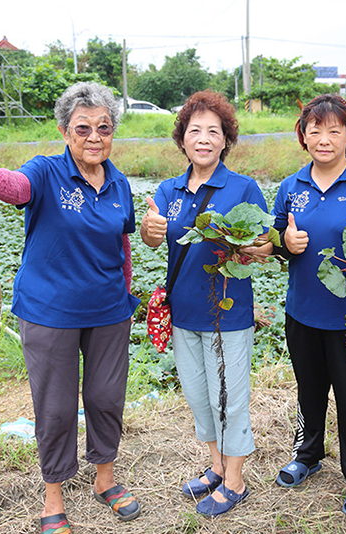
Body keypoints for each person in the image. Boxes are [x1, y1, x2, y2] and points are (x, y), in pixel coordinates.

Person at [0, 82, 141, 532]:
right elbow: (13, 186)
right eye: (83, 128)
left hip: (110, 312)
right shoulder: (45, 172)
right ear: (64, 131)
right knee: (55, 408)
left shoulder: (119, 183)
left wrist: (126, 295)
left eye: (104, 127)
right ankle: (53, 496)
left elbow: (122, 243)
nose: (94, 137)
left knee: (105, 398)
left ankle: (105, 480)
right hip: (49, 312)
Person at [139, 90, 266, 517]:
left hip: (226, 314)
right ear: (182, 140)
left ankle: (235, 481)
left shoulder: (243, 188)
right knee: (197, 396)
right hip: (184, 311)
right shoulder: (168, 189)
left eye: (214, 131)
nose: (204, 138)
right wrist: (149, 231)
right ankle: (215, 466)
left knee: (228, 398)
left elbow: (267, 246)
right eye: (195, 130)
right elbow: (153, 237)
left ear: (226, 140)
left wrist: (245, 242)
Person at [269, 94, 346, 517]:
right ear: (303, 136)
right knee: (309, 391)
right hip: (302, 311)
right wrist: (284, 245)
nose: (324, 138)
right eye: (315, 129)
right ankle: (307, 455)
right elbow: (273, 241)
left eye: (334, 130)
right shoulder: (291, 186)